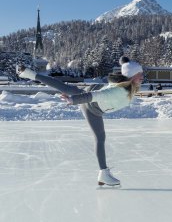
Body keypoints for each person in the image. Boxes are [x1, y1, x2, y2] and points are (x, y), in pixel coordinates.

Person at [16, 56, 143, 187]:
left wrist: (125, 63)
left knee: (64, 88)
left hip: (93, 97)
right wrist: (73, 100)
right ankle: (103, 173)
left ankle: (30, 74)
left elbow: (119, 78)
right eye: (139, 75)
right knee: (100, 138)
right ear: (132, 76)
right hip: (91, 106)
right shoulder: (118, 91)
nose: (142, 77)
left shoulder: (129, 85)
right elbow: (96, 96)